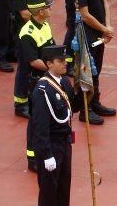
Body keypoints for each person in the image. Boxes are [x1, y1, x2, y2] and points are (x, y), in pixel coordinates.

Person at [29, 45, 78, 206]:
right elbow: (40, 127)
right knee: (49, 191)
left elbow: (74, 107)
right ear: (49, 63)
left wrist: (85, 91)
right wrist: (46, 154)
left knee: (64, 186)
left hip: (65, 142)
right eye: (60, 61)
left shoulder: (64, 81)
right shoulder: (42, 90)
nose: (65, 64)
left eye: (65, 60)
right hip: (51, 145)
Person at [73, 0, 117, 122]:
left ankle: (95, 102)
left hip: (99, 31)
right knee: (87, 71)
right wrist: (104, 29)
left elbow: (104, 2)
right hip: (87, 35)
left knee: (97, 69)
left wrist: (108, 26)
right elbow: (84, 15)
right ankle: (86, 109)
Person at [20, 0, 58, 164]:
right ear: (40, 11)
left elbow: (52, 48)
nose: (50, 9)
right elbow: (34, 61)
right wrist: (54, 69)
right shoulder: (27, 33)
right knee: (37, 118)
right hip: (36, 81)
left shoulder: (45, 25)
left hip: (48, 77)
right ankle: (32, 156)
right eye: (47, 7)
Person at [10, 0, 42, 118]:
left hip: (37, 27)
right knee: (24, 67)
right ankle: (20, 103)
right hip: (23, 32)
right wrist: (40, 17)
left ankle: (31, 97)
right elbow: (23, 13)